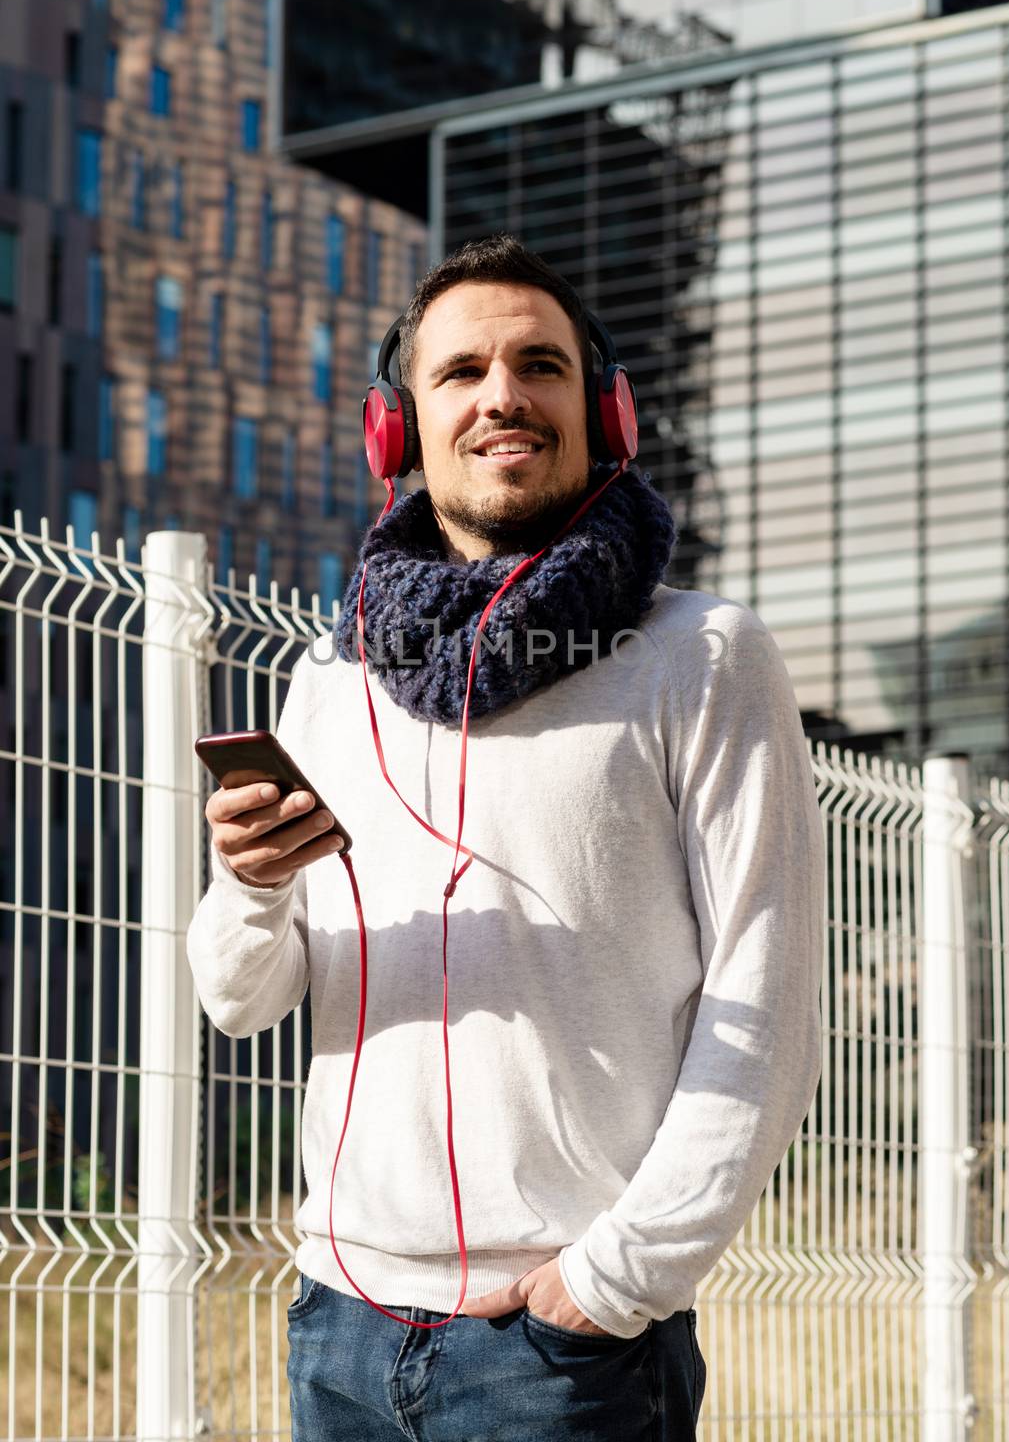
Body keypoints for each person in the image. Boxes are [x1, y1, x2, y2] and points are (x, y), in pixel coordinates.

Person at [187, 234, 826, 1440]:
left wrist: (610, 1285)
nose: (501, 395)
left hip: (560, 1348)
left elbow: (772, 998)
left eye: (539, 365)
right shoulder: (334, 681)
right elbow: (241, 997)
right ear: (399, 430)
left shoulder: (702, 655)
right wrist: (252, 887)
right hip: (340, 1322)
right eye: (461, 370)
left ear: (605, 412)